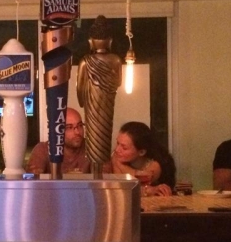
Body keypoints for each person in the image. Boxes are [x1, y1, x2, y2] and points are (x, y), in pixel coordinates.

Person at [76, 15, 123, 166]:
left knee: (94, 132)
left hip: (92, 102)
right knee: (104, 131)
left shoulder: (85, 61)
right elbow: (119, 81)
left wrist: (82, 101)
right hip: (107, 101)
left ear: (91, 42)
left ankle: (96, 163)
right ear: (110, 41)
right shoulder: (116, 60)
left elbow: (80, 87)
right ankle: (98, 162)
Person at [111, 121, 176, 196]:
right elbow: (121, 185)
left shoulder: (156, 165)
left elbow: (136, 184)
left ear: (141, 152)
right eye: (117, 143)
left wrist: (119, 164)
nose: (117, 149)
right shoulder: (120, 157)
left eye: (124, 148)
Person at [25, 108, 90, 175]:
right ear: (58, 130)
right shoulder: (43, 150)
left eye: (80, 125)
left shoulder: (91, 148)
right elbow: (32, 179)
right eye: (69, 127)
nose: (77, 132)